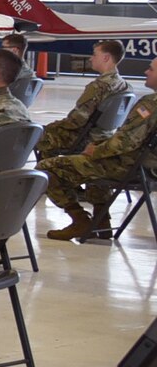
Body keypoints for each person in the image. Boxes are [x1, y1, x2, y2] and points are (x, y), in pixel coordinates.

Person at [40, 59, 157, 241]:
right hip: (150, 169)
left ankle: (80, 220)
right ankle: (101, 221)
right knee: (99, 159)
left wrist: (96, 150)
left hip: (133, 168)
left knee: (45, 168)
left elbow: (125, 143)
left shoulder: (151, 105)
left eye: (151, 69)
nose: (146, 71)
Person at [39, 40, 128, 159]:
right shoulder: (124, 86)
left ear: (106, 58)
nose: (91, 59)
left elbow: (76, 121)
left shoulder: (98, 86)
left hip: (85, 139)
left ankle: (46, 171)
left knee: (40, 135)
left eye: (95, 55)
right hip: (105, 136)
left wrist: (50, 126)